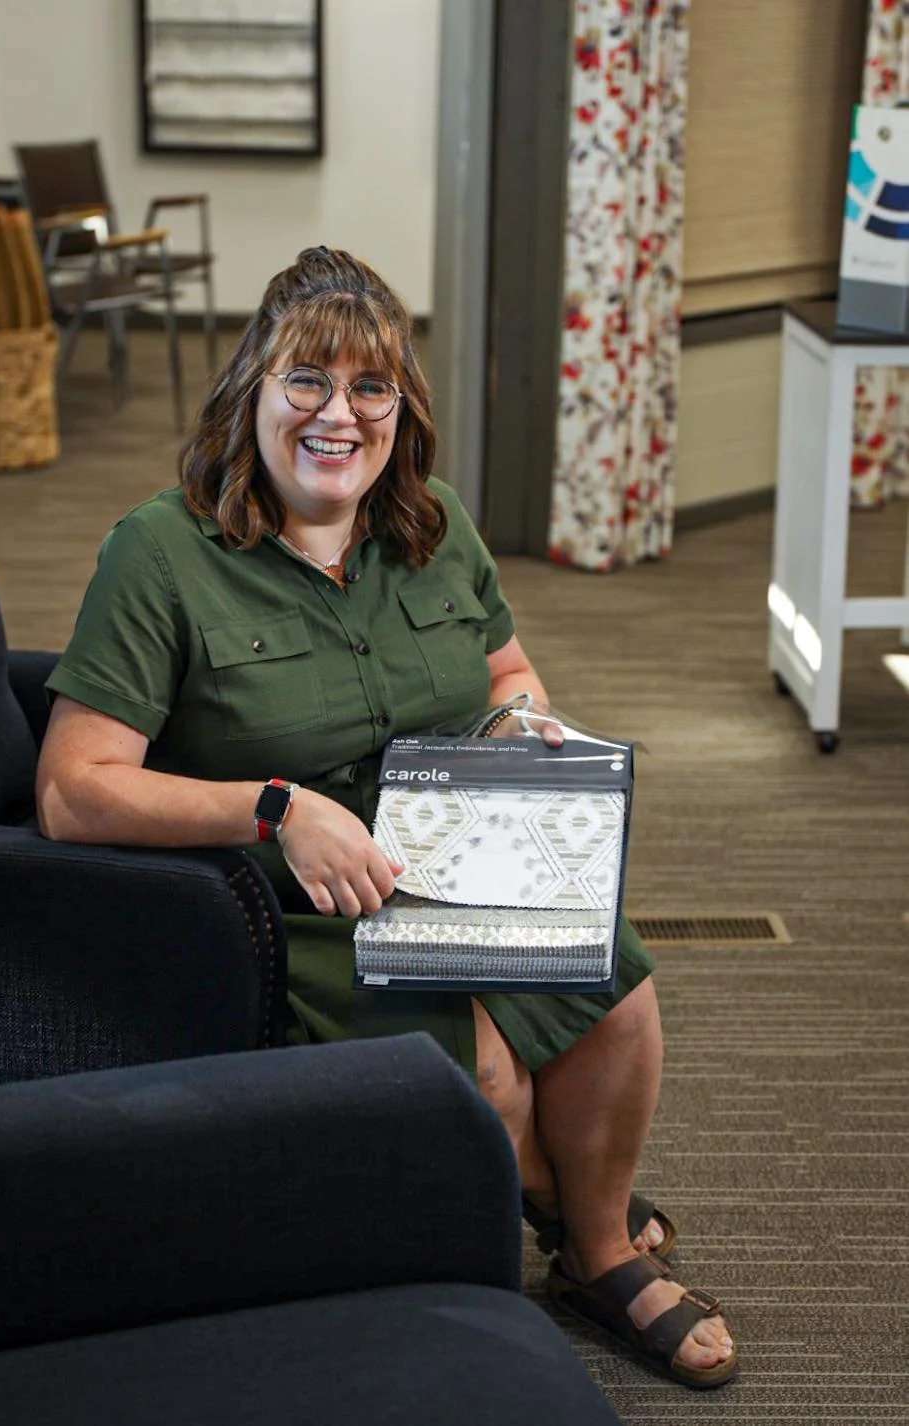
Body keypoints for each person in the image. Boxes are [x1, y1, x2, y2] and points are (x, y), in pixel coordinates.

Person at [36, 245, 737, 1389]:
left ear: (399, 410)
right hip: (296, 900)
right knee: (490, 1074)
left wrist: (526, 729)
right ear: (252, 390)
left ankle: (596, 1250)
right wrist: (274, 808)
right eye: (306, 380)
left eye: (371, 388)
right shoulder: (160, 551)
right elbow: (73, 788)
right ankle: (553, 1196)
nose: (338, 415)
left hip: (462, 857)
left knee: (619, 989)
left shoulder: (431, 523)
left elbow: (508, 667)